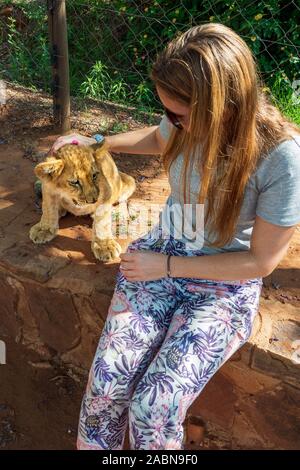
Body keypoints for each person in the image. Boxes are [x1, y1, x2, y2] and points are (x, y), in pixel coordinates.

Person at [50, 23, 300, 450]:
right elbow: (158, 137)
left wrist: (164, 266)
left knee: (154, 407)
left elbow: (260, 262)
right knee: (106, 385)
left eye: (179, 115)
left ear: (221, 106)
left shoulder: (281, 157)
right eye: (167, 112)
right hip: (164, 251)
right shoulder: (183, 125)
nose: (171, 124)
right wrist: (95, 141)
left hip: (223, 282)